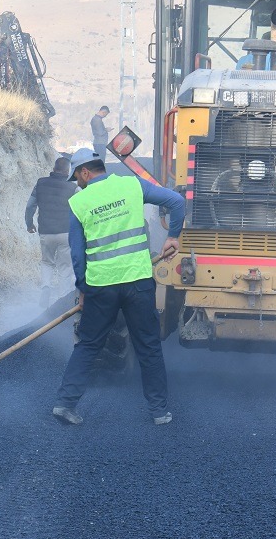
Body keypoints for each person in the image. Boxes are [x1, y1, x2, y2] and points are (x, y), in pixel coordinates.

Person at [52, 149, 186, 427]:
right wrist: (172, 237)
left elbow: (78, 255)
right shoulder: (131, 185)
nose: (77, 184)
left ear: (85, 172)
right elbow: (176, 201)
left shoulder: (79, 202)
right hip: (137, 282)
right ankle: (159, 412)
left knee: (88, 345)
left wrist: (83, 288)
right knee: (148, 346)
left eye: (77, 178)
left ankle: (65, 404)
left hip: (102, 286)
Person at [25, 156, 79, 307]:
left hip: (46, 232)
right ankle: (62, 300)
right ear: (68, 172)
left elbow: (30, 206)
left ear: (54, 169)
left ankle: (46, 287)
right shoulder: (73, 188)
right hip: (65, 233)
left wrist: (29, 224)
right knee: (64, 267)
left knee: (47, 262)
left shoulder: (40, 183)